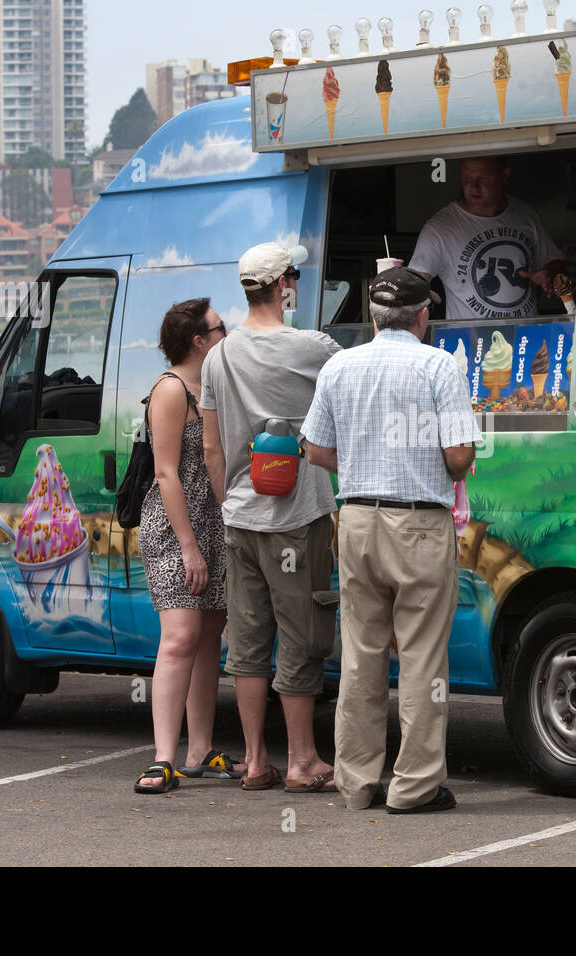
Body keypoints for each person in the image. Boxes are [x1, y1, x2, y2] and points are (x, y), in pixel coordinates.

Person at [303, 267, 482, 813]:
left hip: (355, 521)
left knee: (360, 656)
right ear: (423, 315)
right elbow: (459, 457)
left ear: (374, 316)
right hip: (420, 525)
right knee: (423, 659)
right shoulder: (438, 366)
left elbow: (313, 449)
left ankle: (356, 783)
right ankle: (414, 787)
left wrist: (359, 462)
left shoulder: (339, 365)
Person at [200, 242, 341, 793]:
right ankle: (303, 760)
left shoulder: (219, 356)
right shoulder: (313, 347)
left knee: (250, 643)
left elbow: (212, 448)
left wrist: (230, 502)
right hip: (296, 516)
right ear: (283, 283)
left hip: (240, 518)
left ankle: (256, 760)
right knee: (301, 635)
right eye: (296, 275)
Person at [134, 297, 242, 794]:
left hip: (213, 522)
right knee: (179, 637)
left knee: (208, 636)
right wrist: (190, 547)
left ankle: (199, 749)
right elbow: (166, 473)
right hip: (175, 527)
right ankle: (162, 758)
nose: (228, 333)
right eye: (220, 328)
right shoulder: (172, 389)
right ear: (199, 340)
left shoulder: (213, 385)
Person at [409, 156, 567, 320]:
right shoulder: (440, 228)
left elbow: (556, 261)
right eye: (467, 178)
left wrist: (548, 274)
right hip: (470, 342)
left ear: (504, 175)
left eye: (483, 178)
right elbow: (412, 285)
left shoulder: (526, 216)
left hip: (524, 341)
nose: (474, 187)